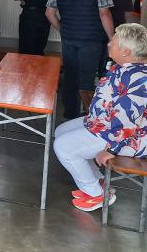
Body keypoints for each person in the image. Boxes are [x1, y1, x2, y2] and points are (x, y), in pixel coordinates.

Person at [53, 23, 147, 212]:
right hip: (107, 125)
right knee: (61, 131)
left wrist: (111, 150)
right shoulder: (126, 67)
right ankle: (98, 181)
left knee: (63, 146)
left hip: (128, 138)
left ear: (126, 52)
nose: (109, 43)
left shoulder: (137, 79)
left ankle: (95, 194)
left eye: (114, 41)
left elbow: (127, 122)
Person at [46, 0, 115, 120]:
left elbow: (49, 13)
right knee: (87, 78)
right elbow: (104, 14)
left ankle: (70, 113)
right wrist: (112, 38)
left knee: (70, 75)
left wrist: (62, 29)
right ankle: (88, 117)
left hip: (69, 38)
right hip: (92, 39)